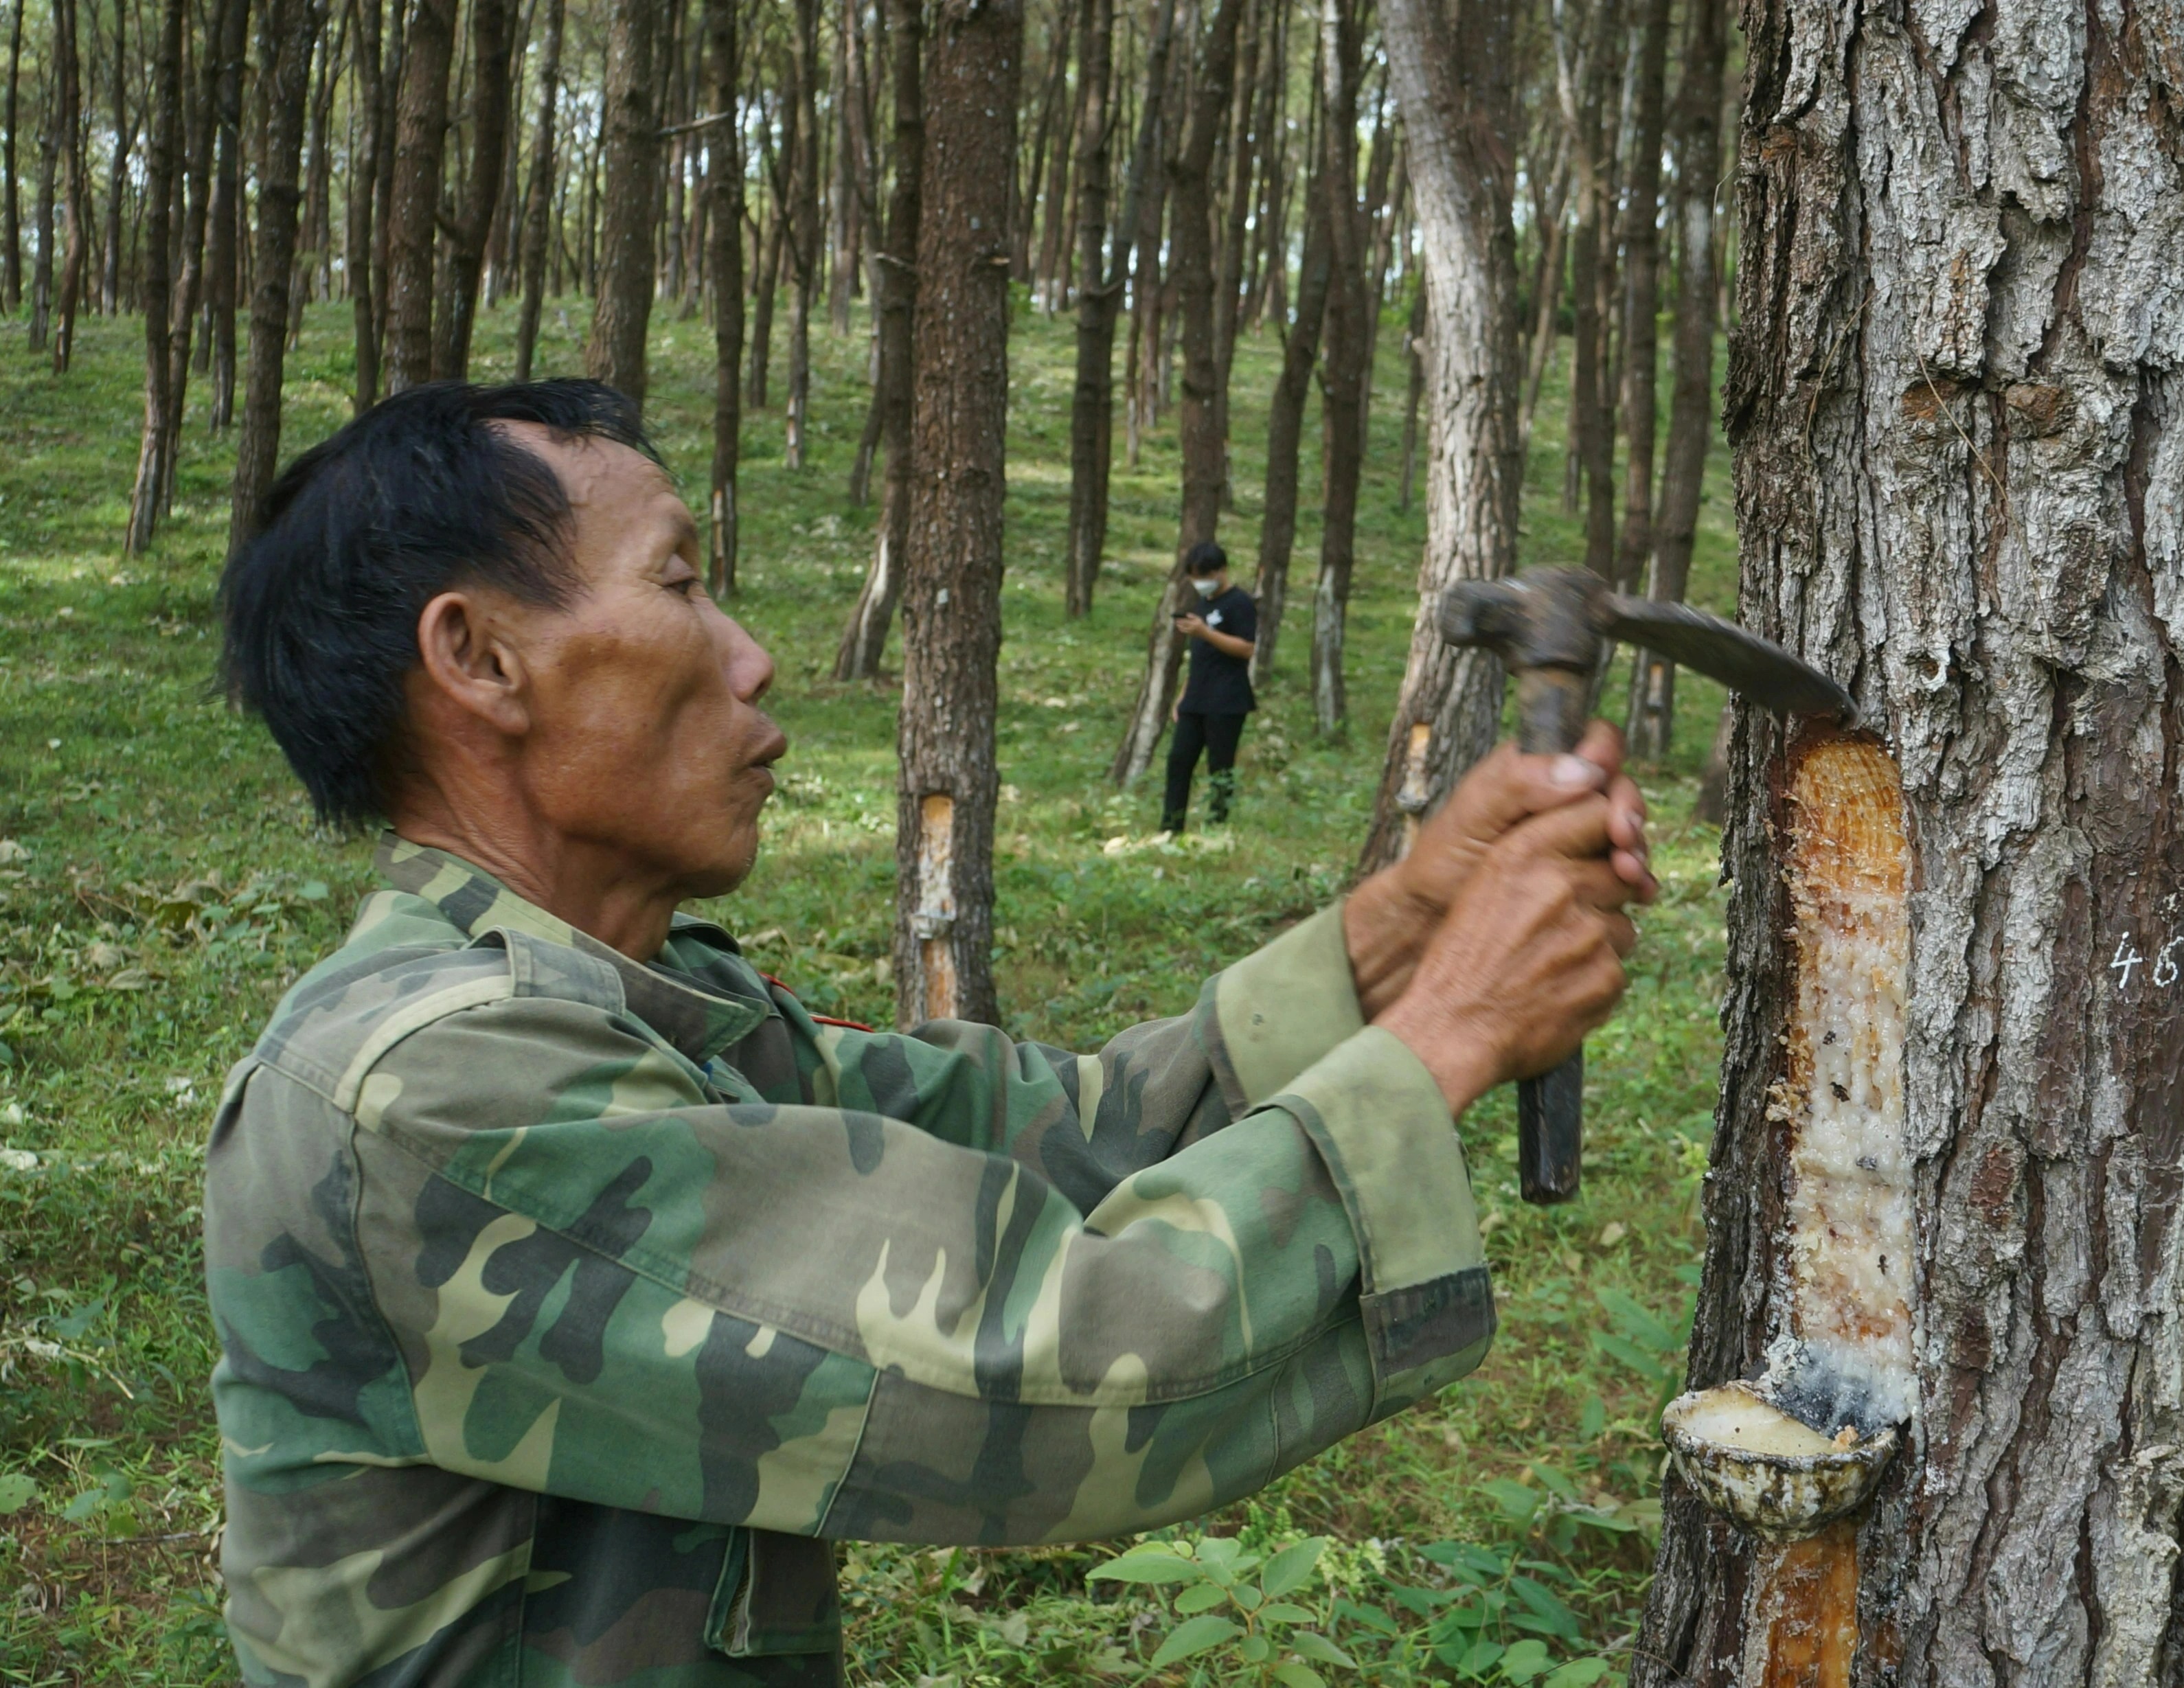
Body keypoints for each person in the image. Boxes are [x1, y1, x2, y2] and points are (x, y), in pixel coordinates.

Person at [205, 380, 1653, 1686]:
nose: (754, 658)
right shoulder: (431, 1087)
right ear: (479, 657)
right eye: (683, 584)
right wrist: (1453, 1027)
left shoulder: (615, 1004)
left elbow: (1066, 1133)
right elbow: (1033, 1370)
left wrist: (1403, 925)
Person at [1161, 540, 1255, 833]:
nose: (1199, 583)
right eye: (1194, 577)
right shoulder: (1203, 605)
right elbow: (1201, 656)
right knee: (1179, 761)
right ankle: (1171, 826)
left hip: (1227, 699)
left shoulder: (1240, 603)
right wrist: (1183, 693)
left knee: (1220, 767)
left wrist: (1206, 632)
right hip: (1196, 698)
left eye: (1204, 576)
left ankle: (1217, 827)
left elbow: (1246, 648)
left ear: (1221, 571)